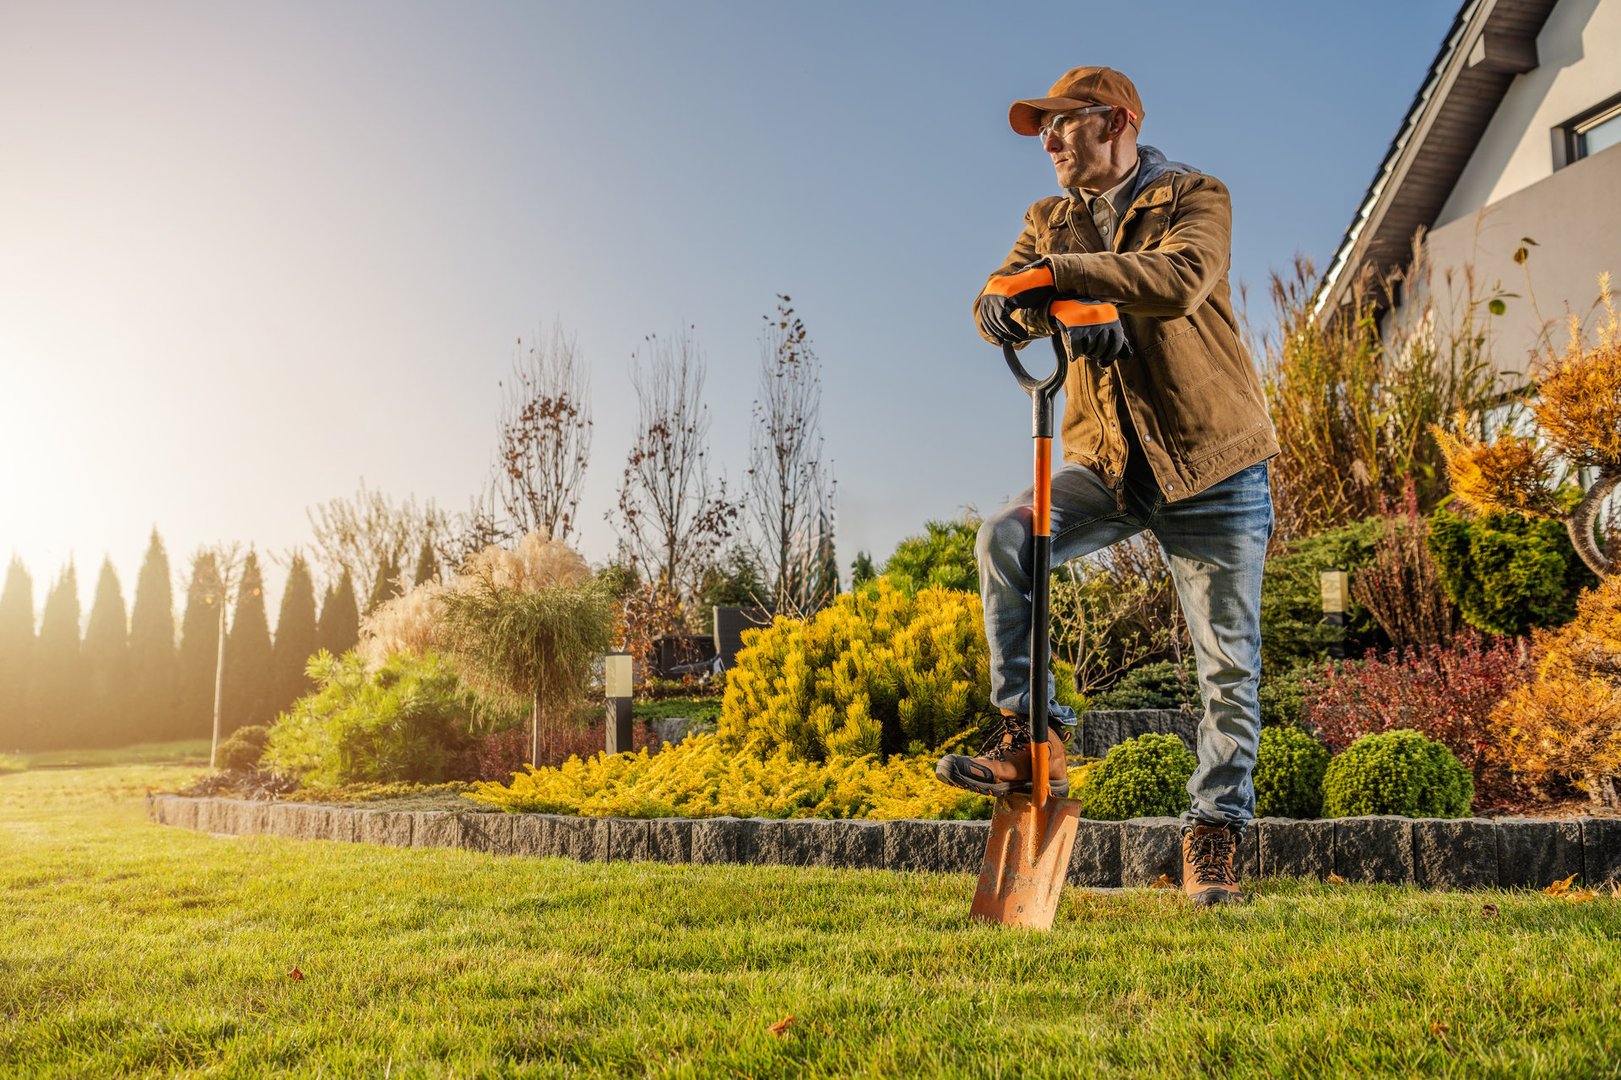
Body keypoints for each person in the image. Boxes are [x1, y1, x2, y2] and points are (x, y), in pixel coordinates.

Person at [934, 66, 1279, 907]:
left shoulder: (1194, 195)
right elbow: (1004, 283)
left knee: (1225, 668)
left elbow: (1179, 279)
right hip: (1109, 463)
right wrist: (999, 308)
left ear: (1117, 121)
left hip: (1213, 463)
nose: (1048, 142)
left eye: (1063, 124)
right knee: (1005, 538)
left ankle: (1214, 833)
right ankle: (1032, 735)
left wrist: (1058, 280)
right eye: (1041, 129)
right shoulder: (1046, 219)